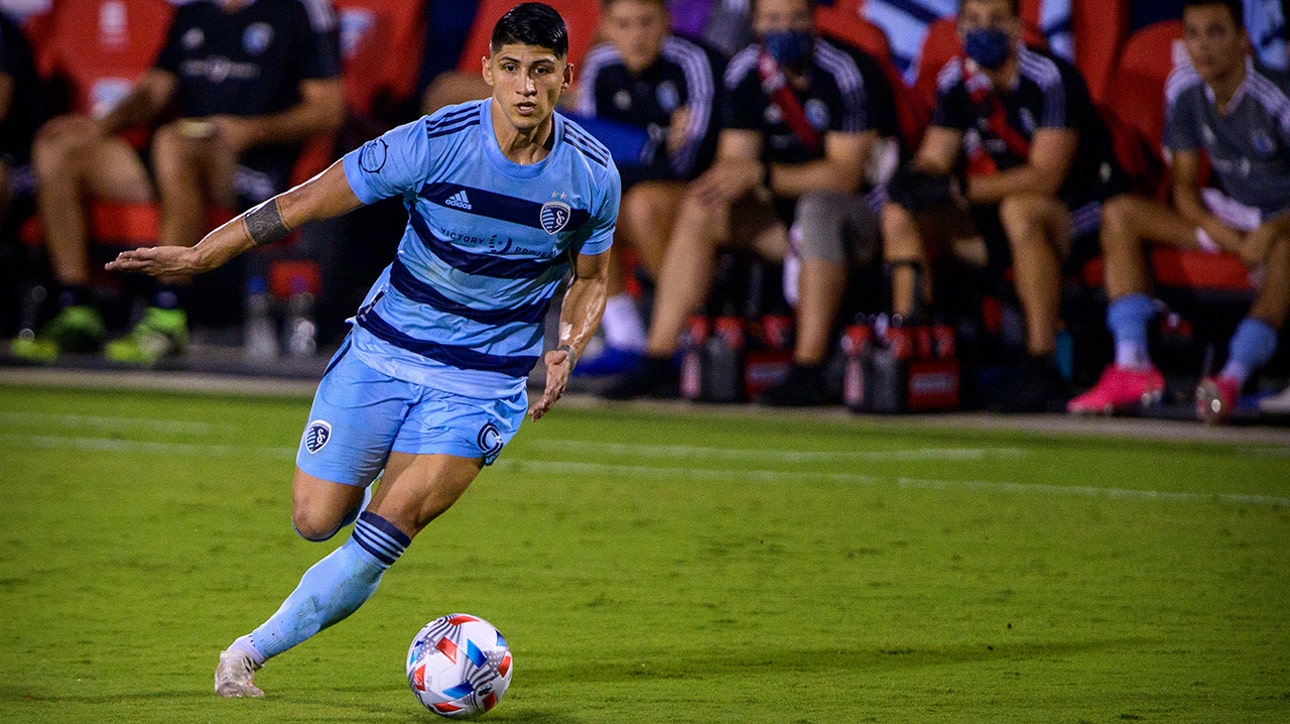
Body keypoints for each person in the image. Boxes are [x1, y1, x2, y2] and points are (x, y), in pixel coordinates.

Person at [108, 2, 618, 697]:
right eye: (510, 69)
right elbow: (308, 200)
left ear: (567, 76)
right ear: (486, 71)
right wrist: (203, 253)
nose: (525, 86)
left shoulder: (591, 175)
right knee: (315, 520)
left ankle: (246, 655)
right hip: (385, 350)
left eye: (541, 71)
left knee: (392, 524)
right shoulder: (431, 144)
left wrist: (568, 344)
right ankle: (376, 485)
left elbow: (591, 279)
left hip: (482, 381)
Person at [14, 0, 342, 365]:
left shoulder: (300, 10)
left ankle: (167, 312)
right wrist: (98, 126)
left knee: (173, 143)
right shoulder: (192, 12)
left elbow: (329, 108)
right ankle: (74, 307)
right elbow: (153, 93)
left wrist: (253, 131)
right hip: (179, 153)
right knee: (58, 149)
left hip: (257, 163)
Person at [603, 0, 892, 402]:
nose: (784, 29)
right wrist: (739, 177)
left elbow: (846, 175)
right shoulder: (746, 71)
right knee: (704, 200)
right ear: (755, 23)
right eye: (772, 19)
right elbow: (734, 163)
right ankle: (664, 354)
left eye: (795, 19)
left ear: (812, 20)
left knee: (818, 210)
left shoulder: (845, 70)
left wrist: (762, 175)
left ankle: (808, 367)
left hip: (857, 222)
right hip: (778, 221)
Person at [879, 0, 1122, 412]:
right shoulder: (958, 79)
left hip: (1082, 210)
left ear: (1015, 27)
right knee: (901, 213)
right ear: (957, 30)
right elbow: (936, 155)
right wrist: (916, 178)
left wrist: (958, 188)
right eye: (972, 22)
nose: (983, 30)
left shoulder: (1051, 78)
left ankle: (1041, 362)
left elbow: (1047, 178)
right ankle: (910, 346)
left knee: (1020, 209)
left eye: (995, 20)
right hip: (1009, 216)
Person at [1067, 0, 1290, 423]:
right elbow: (1185, 188)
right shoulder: (1186, 94)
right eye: (1194, 34)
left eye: (1216, 33)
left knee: (1285, 250)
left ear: (1243, 40)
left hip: (1284, 215)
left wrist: (1274, 228)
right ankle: (1132, 364)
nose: (1203, 47)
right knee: (1120, 214)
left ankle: (1230, 379)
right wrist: (1220, 231)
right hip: (1235, 214)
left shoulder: (1277, 94)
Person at [572, 0, 724, 374]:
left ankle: (685, 330)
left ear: (667, 23)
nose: (636, 36)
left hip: (706, 196)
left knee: (643, 204)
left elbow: (689, 161)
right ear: (606, 26)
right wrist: (654, 143)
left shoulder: (693, 61)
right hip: (631, 191)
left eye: (645, 23)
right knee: (579, 203)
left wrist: (633, 150)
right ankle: (625, 336)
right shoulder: (601, 66)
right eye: (623, 24)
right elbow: (587, 156)